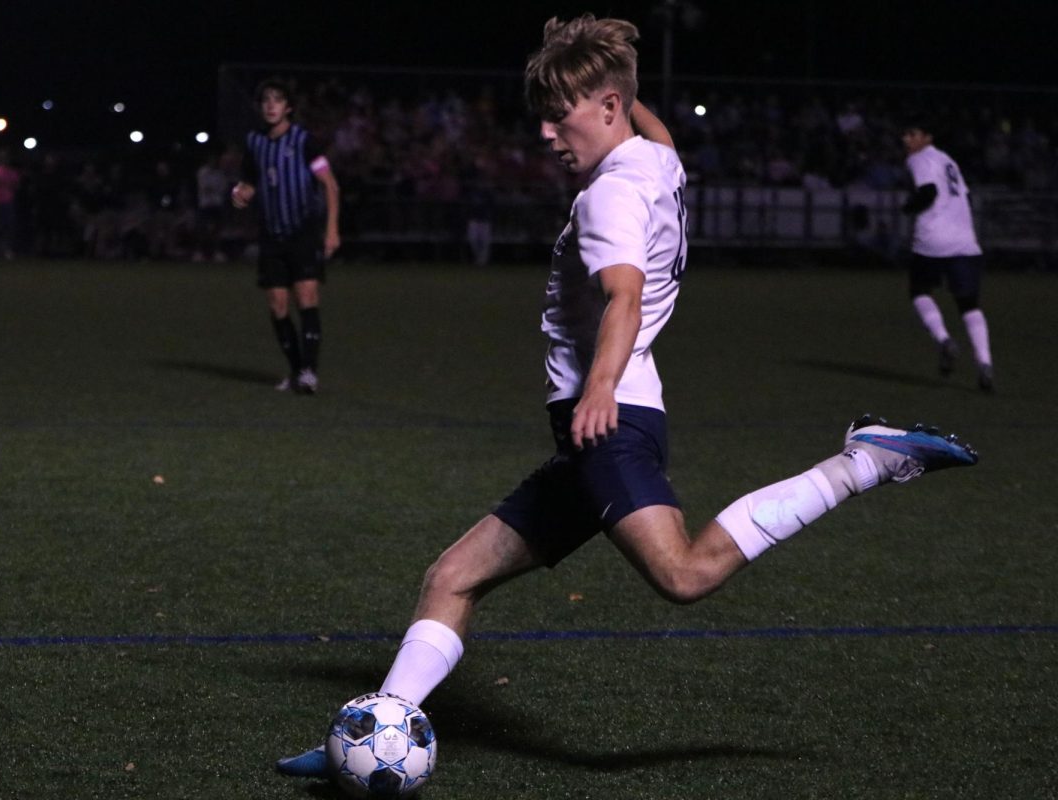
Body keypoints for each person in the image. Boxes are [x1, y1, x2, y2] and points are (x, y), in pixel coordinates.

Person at [275, 15, 979, 780]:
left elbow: (625, 297)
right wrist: (607, 55)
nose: (548, 134)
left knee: (682, 574)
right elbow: (658, 125)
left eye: (561, 115)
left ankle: (865, 461)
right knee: (452, 577)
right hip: (600, 429)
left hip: (608, 424)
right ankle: (375, 727)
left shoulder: (609, 197)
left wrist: (598, 388)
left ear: (607, 106)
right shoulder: (658, 161)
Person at [231, 78, 341, 394]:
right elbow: (250, 183)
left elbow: (330, 185)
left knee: (306, 297)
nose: (270, 105)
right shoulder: (254, 142)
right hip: (271, 235)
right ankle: (295, 371)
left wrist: (332, 229)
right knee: (278, 303)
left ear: (288, 107)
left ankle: (309, 372)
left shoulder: (304, 141)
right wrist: (240, 194)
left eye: (277, 100)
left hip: (302, 232)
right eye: (266, 100)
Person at [901, 118, 995, 392]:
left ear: (927, 137)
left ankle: (944, 340)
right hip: (965, 241)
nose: (907, 139)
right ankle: (985, 364)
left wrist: (908, 208)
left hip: (932, 238)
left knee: (919, 290)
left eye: (912, 132)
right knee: (969, 305)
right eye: (905, 134)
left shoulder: (919, 159)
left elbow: (928, 191)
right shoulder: (947, 160)